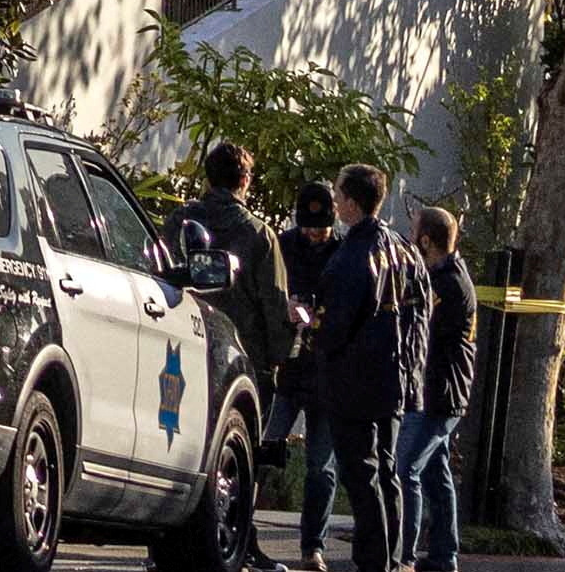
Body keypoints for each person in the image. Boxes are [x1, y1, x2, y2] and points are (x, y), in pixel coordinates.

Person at [175, 143, 300, 567]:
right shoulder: (259, 235)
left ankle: (173, 540)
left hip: (182, 347)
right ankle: (238, 539)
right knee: (241, 458)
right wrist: (280, 357)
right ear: (245, 181)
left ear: (208, 177)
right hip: (243, 359)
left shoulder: (180, 221)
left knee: (187, 445)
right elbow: (274, 303)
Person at [311, 164, 423, 572]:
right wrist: (413, 374)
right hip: (394, 377)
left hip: (354, 381)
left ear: (352, 203)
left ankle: (374, 560)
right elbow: (419, 314)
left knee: (361, 475)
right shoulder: (402, 249)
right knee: (387, 471)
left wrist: (313, 331)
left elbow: (335, 325)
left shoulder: (352, 257)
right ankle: (392, 557)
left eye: (339, 195)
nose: (335, 201)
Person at [397, 204, 474, 572]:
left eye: (413, 231)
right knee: (435, 474)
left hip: (438, 393)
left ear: (425, 240)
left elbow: (420, 328)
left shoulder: (447, 284)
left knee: (405, 469)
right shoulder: (445, 275)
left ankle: (403, 555)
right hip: (442, 391)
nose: (410, 237)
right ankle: (444, 555)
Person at [284, 181, 344, 559]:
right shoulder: (283, 246)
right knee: (261, 450)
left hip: (326, 372)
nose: (313, 235)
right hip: (287, 368)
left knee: (321, 467)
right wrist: (285, 308)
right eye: (307, 227)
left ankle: (313, 547)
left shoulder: (343, 253)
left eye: (320, 229)